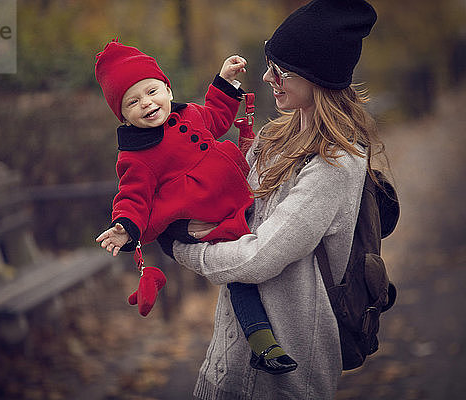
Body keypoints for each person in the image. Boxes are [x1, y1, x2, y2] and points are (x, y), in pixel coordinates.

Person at [158, 0, 382, 398]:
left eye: (280, 71)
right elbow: (226, 205)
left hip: (285, 378)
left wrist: (182, 249)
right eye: (268, 64)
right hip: (226, 359)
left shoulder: (337, 162)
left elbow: (259, 257)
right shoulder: (271, 139)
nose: (266, 78)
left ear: (318, 77)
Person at [94, 39, 297, 374]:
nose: (146, 103)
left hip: (240, 197)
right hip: (206, 219)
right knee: (240, 276)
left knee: (274, 250)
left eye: (151, 91)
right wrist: (124, 226)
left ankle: (299, 317)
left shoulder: (190, 114)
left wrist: (225, 80)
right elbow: (133, 196)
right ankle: (263, 344)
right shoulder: (137, 155)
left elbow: (218, 117)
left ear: (166, 88)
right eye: (133, 101)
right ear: (123, 115)